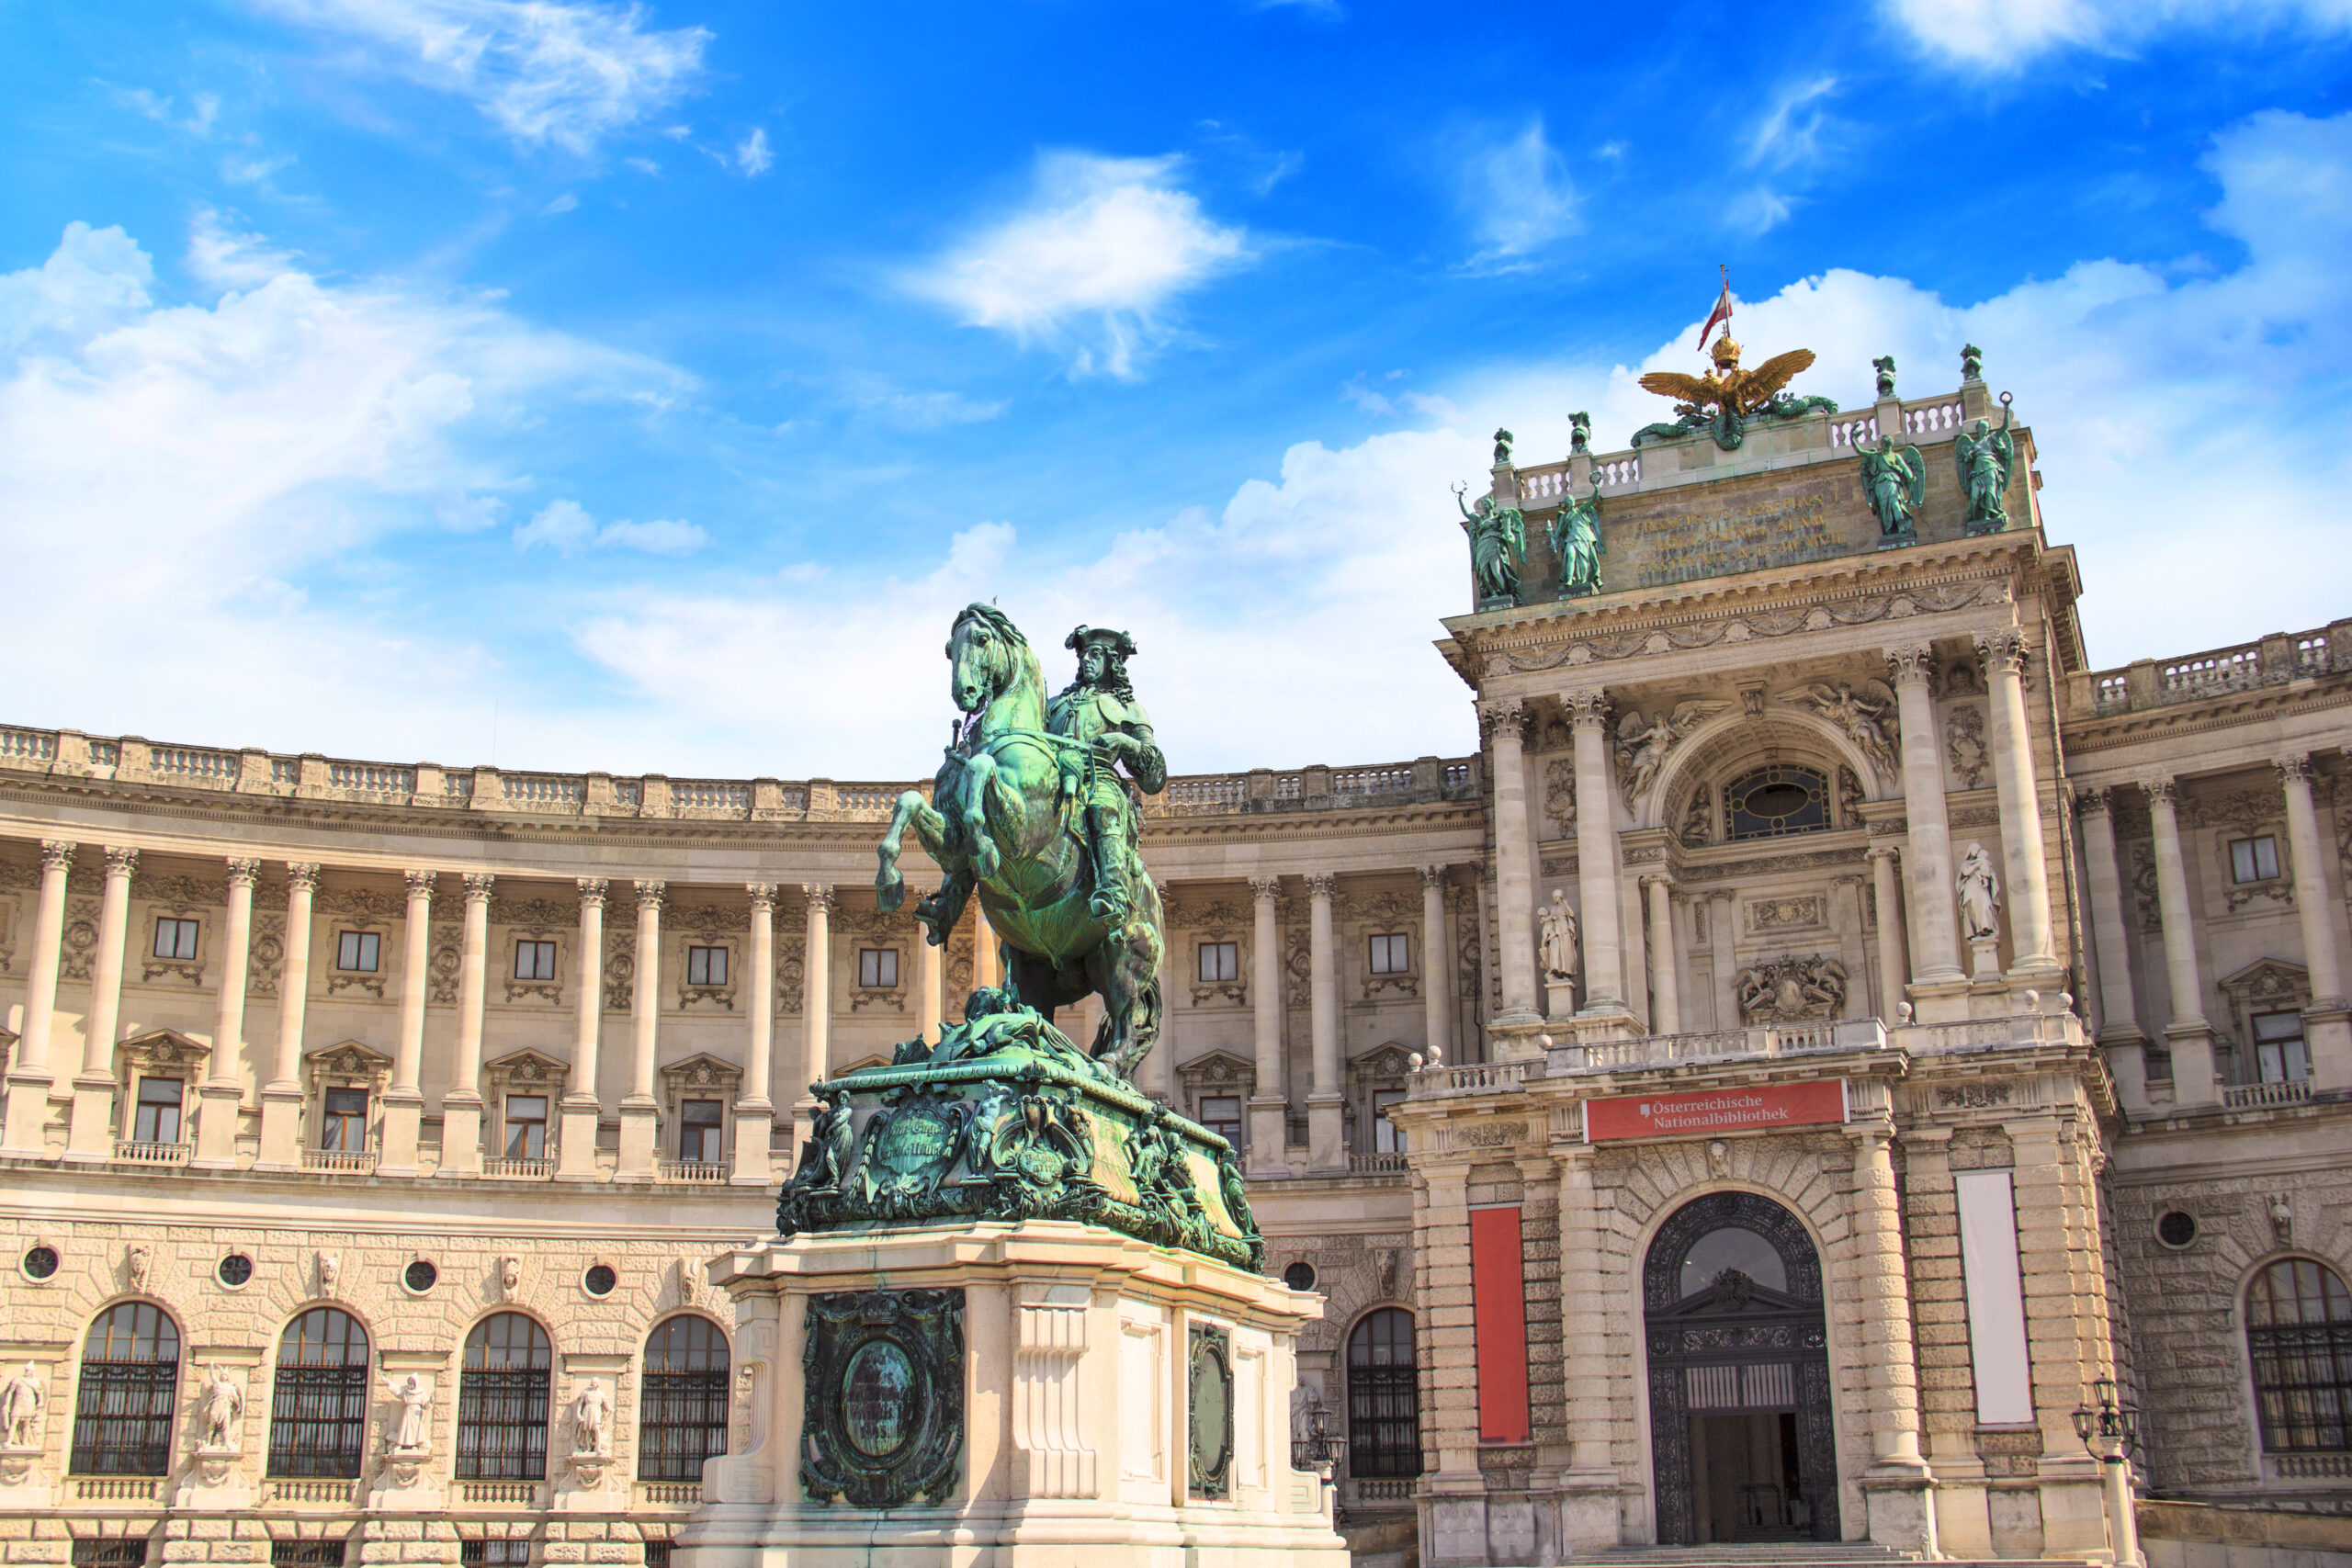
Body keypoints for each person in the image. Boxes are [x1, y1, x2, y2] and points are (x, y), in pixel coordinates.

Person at [1046, 626, 1166, 925]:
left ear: (1112, 662)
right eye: (1084, 654)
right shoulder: (1055, 706)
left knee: (1102, 808)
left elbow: (1154, 775)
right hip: (1055, 778)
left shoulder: (1129, 709)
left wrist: (1124, 741)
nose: (1087, 659)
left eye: (1095, 654)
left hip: (1101, 779)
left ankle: (1113, 893)